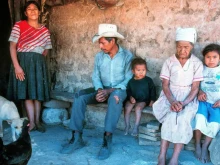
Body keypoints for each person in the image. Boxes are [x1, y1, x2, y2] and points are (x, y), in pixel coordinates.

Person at [60, 24, 133, 160]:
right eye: (100, 43)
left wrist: (109, 91)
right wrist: (100, 90)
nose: (101, 46)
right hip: (102, 88)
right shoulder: (99, 56)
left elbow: (128, 78)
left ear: (113, 41)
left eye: (103, 43)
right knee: (79, 96)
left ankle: (107, 140)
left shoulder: (127, 56)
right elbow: (95, 76)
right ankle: (76, 137)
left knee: (115, 98)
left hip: (119, 90)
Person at [153, 27, 203, 165]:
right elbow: (165, 85)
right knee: (170, 118)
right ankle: (162, 156)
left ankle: (174, 158)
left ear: (192, 47)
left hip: (188, 98)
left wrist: (183, 103)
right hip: (169, 96)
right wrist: (173, 101)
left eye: (186, 47)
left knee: (183, 119)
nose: (182, 50)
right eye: (179, 46)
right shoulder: (169, 62)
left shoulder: (196, 63)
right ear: (176, 46)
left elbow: (195, 88)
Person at [7, 1, 52, 132]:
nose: (32, 11)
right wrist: (17, 66)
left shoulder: (44, 30)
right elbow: (12, 46)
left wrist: (37, 60)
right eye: (29, 9)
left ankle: (37, 122)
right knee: (27, 93)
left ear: (39, 12)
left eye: (35, 9)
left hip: (38, 62)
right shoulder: (19, 25)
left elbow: (46, 49)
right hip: (23, 61)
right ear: (25, 13)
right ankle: (31, 122)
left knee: (37, 93)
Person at [193, 44, 220, 163]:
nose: (211, 60)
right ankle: (198, 144)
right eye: (208, 57)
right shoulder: (200, 69)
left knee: (214, 124)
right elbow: (194, 85)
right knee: (198, 120)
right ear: (204, 58)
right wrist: (199, 92)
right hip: (203, 102)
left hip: (216, 104)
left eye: (214, 57)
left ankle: (205, 146)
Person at [124, 57, 156, 136]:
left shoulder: (148, 80)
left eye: (143, 70)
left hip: (143, 100)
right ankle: (127, 126)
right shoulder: (131, 81)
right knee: (127, 107)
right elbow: (128, 91)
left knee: (138, 108)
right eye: (138, 70)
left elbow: (153, 90)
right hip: (133, 99)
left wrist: (152, 100)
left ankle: (136, 127)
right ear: (133, 71)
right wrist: (130, 97)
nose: (141, 72)